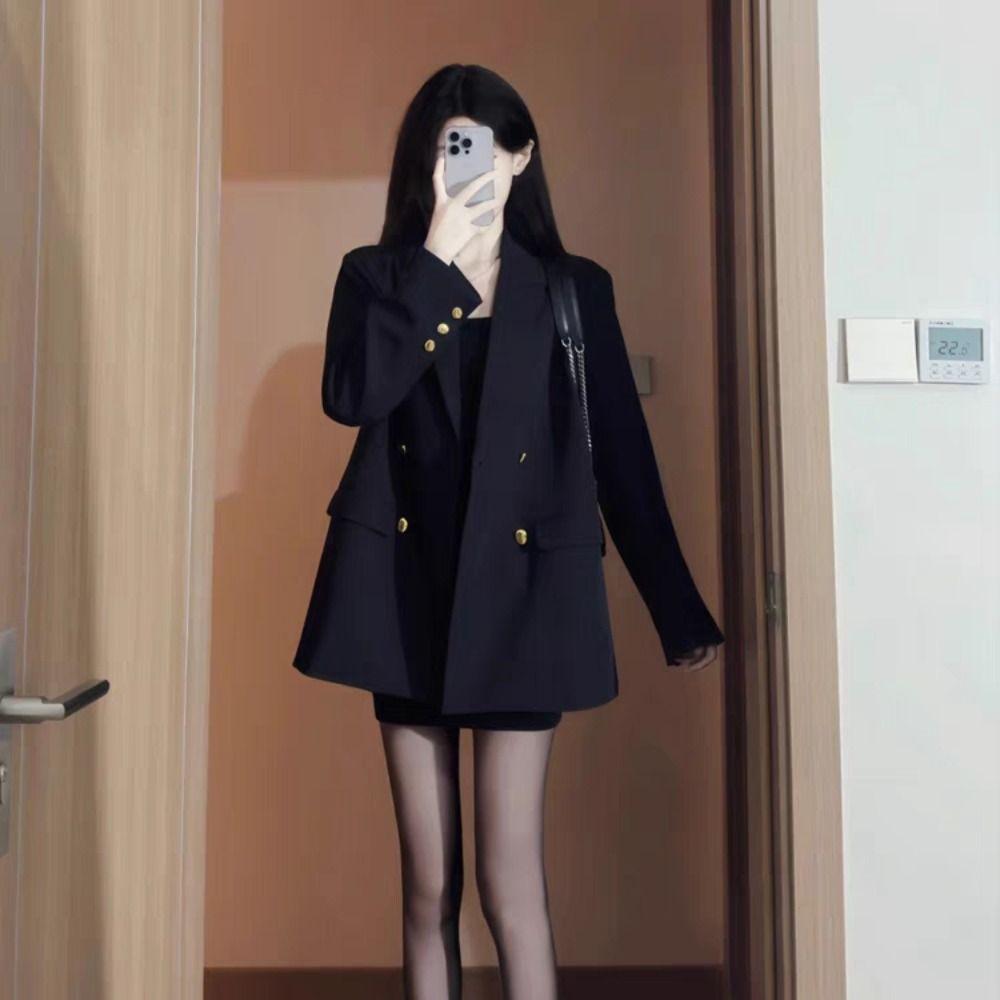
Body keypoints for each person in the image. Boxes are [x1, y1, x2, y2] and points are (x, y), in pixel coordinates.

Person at [293, 63, 724, 1000]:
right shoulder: (379, 278)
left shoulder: (573, 291)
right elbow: (352, 397)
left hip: (525, 602)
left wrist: (677, 609)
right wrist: (437, 266)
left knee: (508, 880)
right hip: (408, 597)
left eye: (478, 150)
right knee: (429, 885)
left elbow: (623, 459)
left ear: (521, 157)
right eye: (443, 152)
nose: (459, 169)